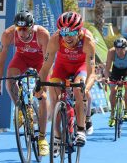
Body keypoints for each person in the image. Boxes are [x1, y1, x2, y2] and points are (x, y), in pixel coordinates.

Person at [35, 11, 96, 156]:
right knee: (54, 94)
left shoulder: (87, 41)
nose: (67, 37)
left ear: (79, 30)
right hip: (61, 67)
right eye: (64, 32)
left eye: (71, 32)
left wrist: (86, 89)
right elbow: (46, 66)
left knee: (78, 91)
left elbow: (92, 72)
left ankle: (80, 130)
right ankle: (57, 136)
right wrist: (40, 83)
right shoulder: (56, 38)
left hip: (80, 67)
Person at [0, 10, 50, 156]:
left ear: (32, 27)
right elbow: (1, 60)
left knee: (42, 96)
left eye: (25, 29)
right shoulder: (8, 34)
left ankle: (42, 138)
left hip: (40, 62)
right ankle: (20, 107)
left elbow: (47, 61)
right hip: (22, 58)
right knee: (9, 80)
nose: (22, 33)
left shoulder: (42, 34)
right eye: (19, 29)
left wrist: (41, 82)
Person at [104, 37, 127, 127]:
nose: (119, 51)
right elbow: (107, 68)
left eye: (121, 49)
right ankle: (112, 115)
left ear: (125, 48)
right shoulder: (111, 52)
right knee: (113, 90)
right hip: (115, 72)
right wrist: (107, 78)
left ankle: (126, 111)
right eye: (117, 48)